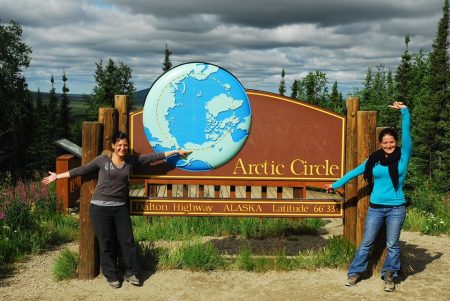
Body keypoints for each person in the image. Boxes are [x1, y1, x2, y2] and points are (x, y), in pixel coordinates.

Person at [43, 131, 191, 288]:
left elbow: (152, 158)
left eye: (125, 145)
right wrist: (57, 176)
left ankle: (132, 272)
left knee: (127, 241)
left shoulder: (130, 161)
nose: (122, 147)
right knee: (106, 242)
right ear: (113, 146)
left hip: (120, 208)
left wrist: (175, 152)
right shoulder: (102, 160)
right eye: (119, 145)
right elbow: (82, 170)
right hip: (100, 208)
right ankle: (111, 274)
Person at [325, 101, 411, 292]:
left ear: (396, 143)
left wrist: (404, 112)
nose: (389, 145)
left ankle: (389, 275)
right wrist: (335, 185)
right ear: (380, 144)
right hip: (375, 208)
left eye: (392, 142)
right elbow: (353, 173)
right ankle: (355, 272)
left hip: (397, 208)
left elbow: (407, 133)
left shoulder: (403, 156)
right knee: (366, 242)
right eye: (385, 142)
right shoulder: (374, 160)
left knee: (393, 244)